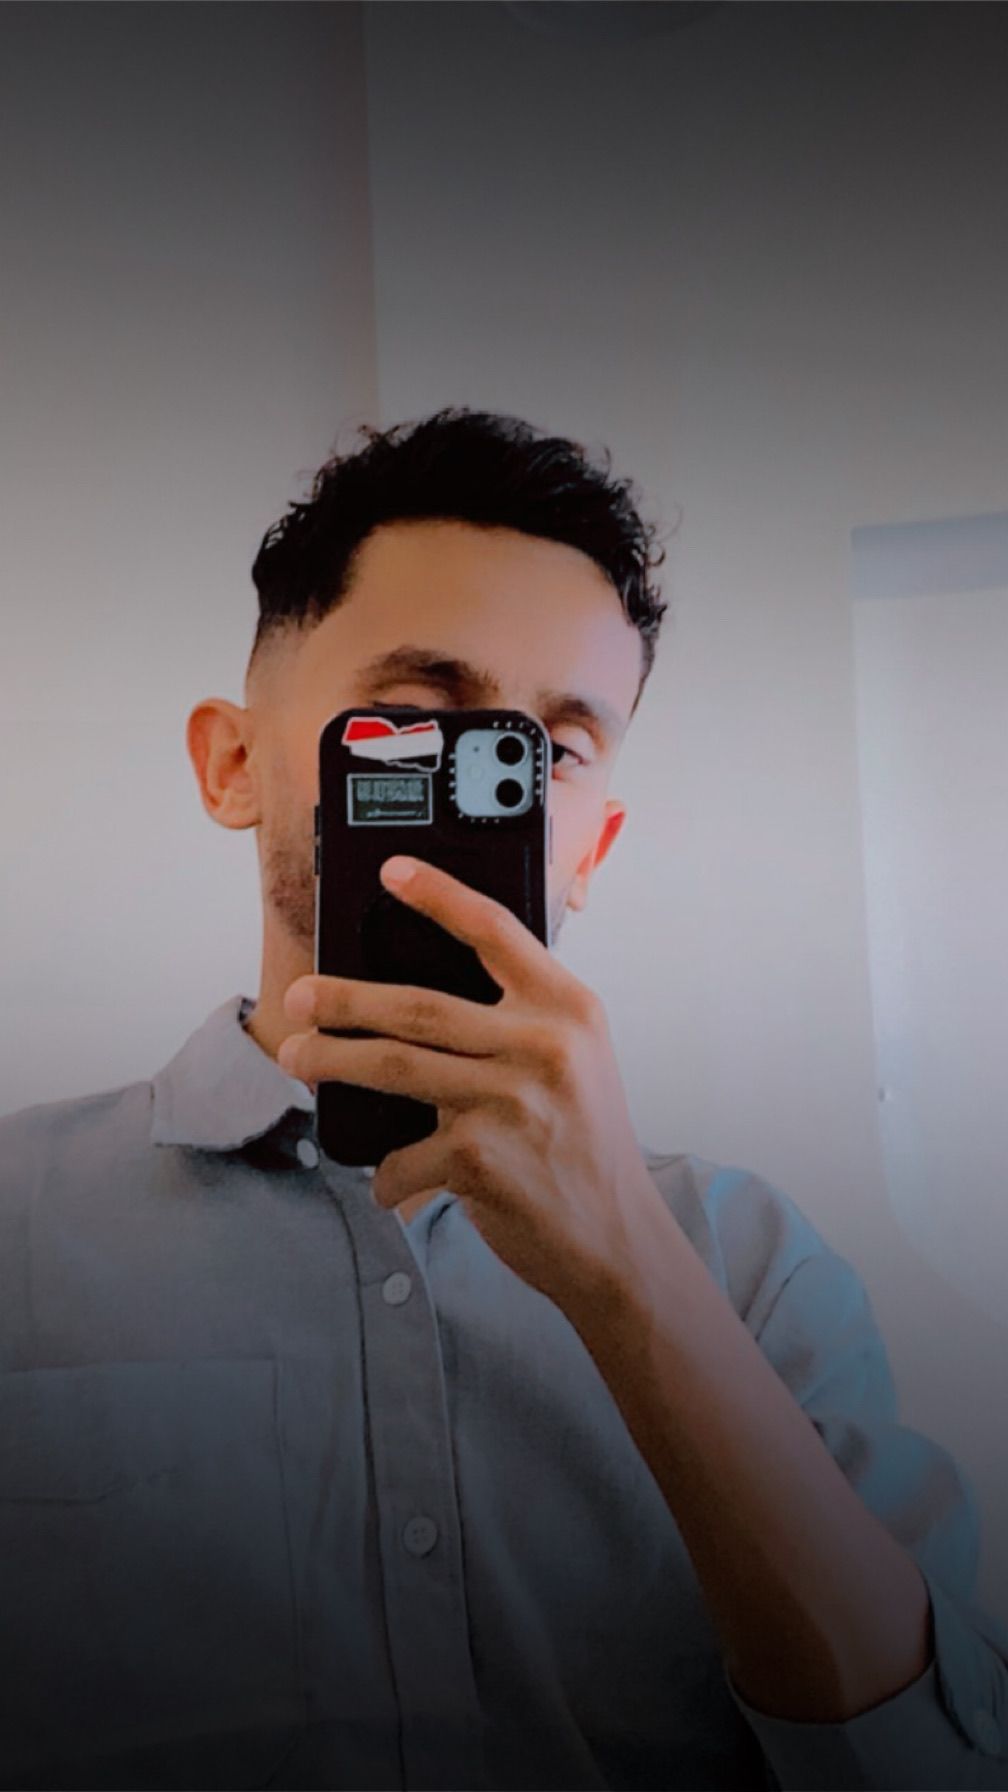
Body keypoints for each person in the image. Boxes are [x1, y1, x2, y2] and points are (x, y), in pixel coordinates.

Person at [0, 409, 1005, 1792]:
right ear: (234, 765)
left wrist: (632, 1275)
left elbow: (937, 1772)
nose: (499, 789)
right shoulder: (16, 1227)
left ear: (593, 846)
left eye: (556, 748)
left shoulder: (757, 1270)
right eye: (415, 718)